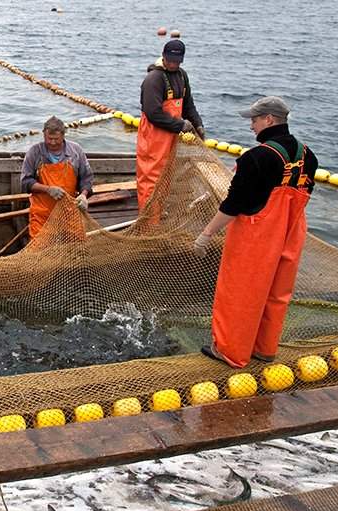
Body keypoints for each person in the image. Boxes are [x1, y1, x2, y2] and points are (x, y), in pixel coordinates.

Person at [193, 96, 318, 368]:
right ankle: (265, 349)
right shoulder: (309, 157)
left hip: (257, 236)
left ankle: (230, 351)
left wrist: (206, 234)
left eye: (254, 120)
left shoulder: (256, 158)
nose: (251, 126)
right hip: (292, 231)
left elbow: (234, 204)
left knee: (241, 293)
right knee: (277, 292)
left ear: (269, 120)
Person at [136, 40, 204, 211]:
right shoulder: (154, 79)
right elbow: (153, 113)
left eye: (177, 61)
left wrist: (198, 124)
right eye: (170, 60)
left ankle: (159, 213)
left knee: (166, 176)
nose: (173, 64)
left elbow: (188, 105)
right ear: (164, 57)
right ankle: (148, 223)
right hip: (153, 139)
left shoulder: (182, 76)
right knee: (151, 179)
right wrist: (180, 125)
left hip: (171, 138)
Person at [20, 116, 93, 240]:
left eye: (56, 139)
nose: (52, 142)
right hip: (42, 212)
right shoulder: (34, 152)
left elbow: (86, 178)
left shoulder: (76, 151)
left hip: (69, 211)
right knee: (39, 248)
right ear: (44, 135)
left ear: (63, 135)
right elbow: (25, 182)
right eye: (49, 139)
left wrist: (84, 195)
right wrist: (48, 189)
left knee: (76, 245)